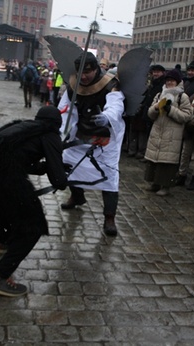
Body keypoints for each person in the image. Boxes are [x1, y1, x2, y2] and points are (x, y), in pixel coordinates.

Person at [0, 106, 68, 297]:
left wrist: (44, 167)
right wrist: (61, 171)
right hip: (2, 176)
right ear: (58, 124)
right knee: (33, 226)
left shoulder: (24, 127)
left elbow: (16, 157)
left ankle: (4, 245)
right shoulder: (50, 135)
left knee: (7, 205)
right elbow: (59, 182)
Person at [58, 52, 125, 236]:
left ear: (96, 69)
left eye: (88, 72)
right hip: (79, 136)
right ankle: (77, 197)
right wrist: (64, 131)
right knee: (70, 167)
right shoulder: (72, 84)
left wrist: (107, 117)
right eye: (81, 72)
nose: (84, 76)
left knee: (109, 178)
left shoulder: (111, 84)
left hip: (104, 141)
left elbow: (116, 106)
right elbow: (65, 110)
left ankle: (109, 217)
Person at [144, 69, 192, 196]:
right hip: (158, 130)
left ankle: (165, 186)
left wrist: (170, 110)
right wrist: (155, 108)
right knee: (155, 159)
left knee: (167, 162)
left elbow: (186, 116)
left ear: (177, 82)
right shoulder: (160, 94)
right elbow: (150, 113)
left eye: (172, 81)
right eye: (168, 80)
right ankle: (155, 183)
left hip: (172, 133)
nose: (170, 83)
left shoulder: (183, 96)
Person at [128, 64, 165, 160]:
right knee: (139, 131)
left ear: (162, 73)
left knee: (146, 133)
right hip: (145, 109)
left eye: (158, 72)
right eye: (154, 72)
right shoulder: (152, 82)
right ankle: (136, 151)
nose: (155, 74)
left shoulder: (162, 84)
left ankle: (143, 152)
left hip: (153, 110)